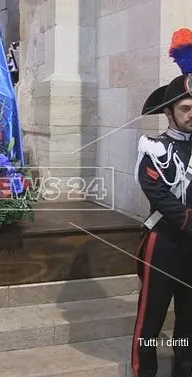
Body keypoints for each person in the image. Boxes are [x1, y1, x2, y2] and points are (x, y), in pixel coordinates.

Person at [132, 28, 192, 377]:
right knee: (151, 319)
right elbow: (156, 191)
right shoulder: (154, 148)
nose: (191, 113)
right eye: (185, 108)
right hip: (164, 243)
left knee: (188, 317)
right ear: (169, 111)